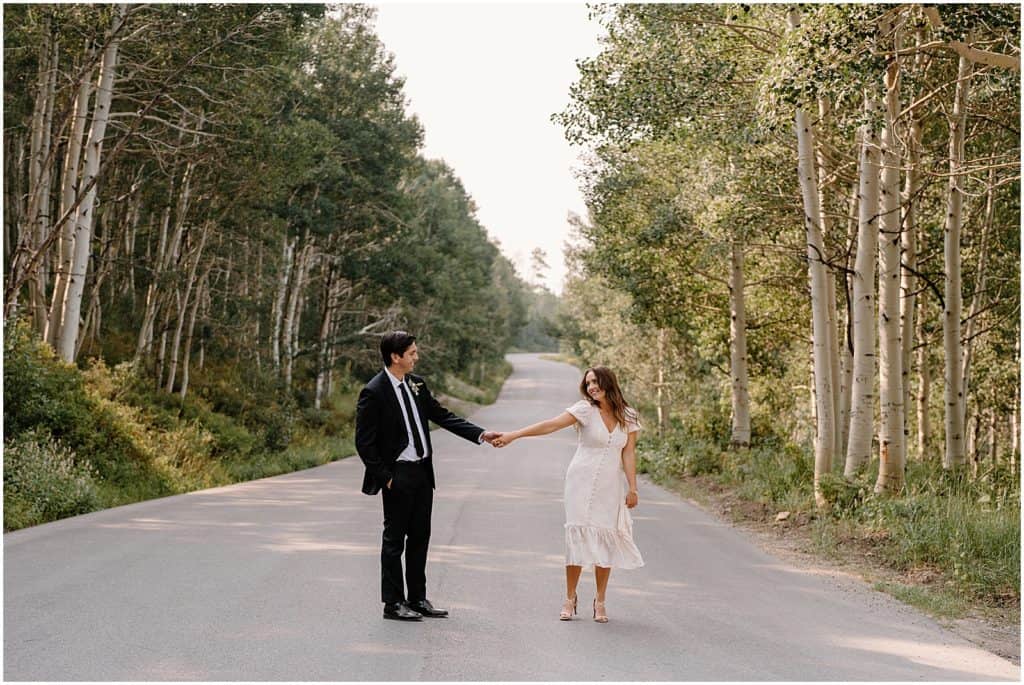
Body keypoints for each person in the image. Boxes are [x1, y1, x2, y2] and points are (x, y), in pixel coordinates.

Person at [356, 331, 499, 621]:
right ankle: (393, 603)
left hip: (422, 472)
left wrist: (481, 434)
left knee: (420, 536)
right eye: (412, 353)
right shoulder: (374, 391)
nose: (416, 357)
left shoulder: (417, 384)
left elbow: (442, 415)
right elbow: (364, 442)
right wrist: (387, 477)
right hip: (398, 474)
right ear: (395, 357)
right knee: (394, 540)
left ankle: (417, 598)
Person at [493, 365, 643, 623]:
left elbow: (628, 453)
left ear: (608, 382)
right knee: (577, 535)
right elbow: (550, 425)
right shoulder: (585, 409)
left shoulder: (628, 416)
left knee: (605, 538)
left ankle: (601, 601)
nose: (592, 387)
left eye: (595, 382)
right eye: (588, 383)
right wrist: (514, 435)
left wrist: (632, 488)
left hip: (611, 486)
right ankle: (570, 597)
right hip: (580, 482)